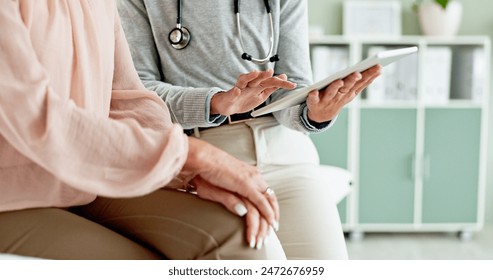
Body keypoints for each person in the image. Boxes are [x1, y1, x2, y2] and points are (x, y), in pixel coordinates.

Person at [0, 0, 287, 260]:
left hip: (88, 182)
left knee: (243, 241)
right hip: (12, 198)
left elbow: (126, 98)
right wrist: (192, 155)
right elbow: (34, 115)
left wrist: (187, 171)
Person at [117, 0, 381, 259]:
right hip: (210, 161)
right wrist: (216, 102)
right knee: (261, 259)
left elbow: (292, 87)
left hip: (288, 154)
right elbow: (139, 93)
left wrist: (314, 113)